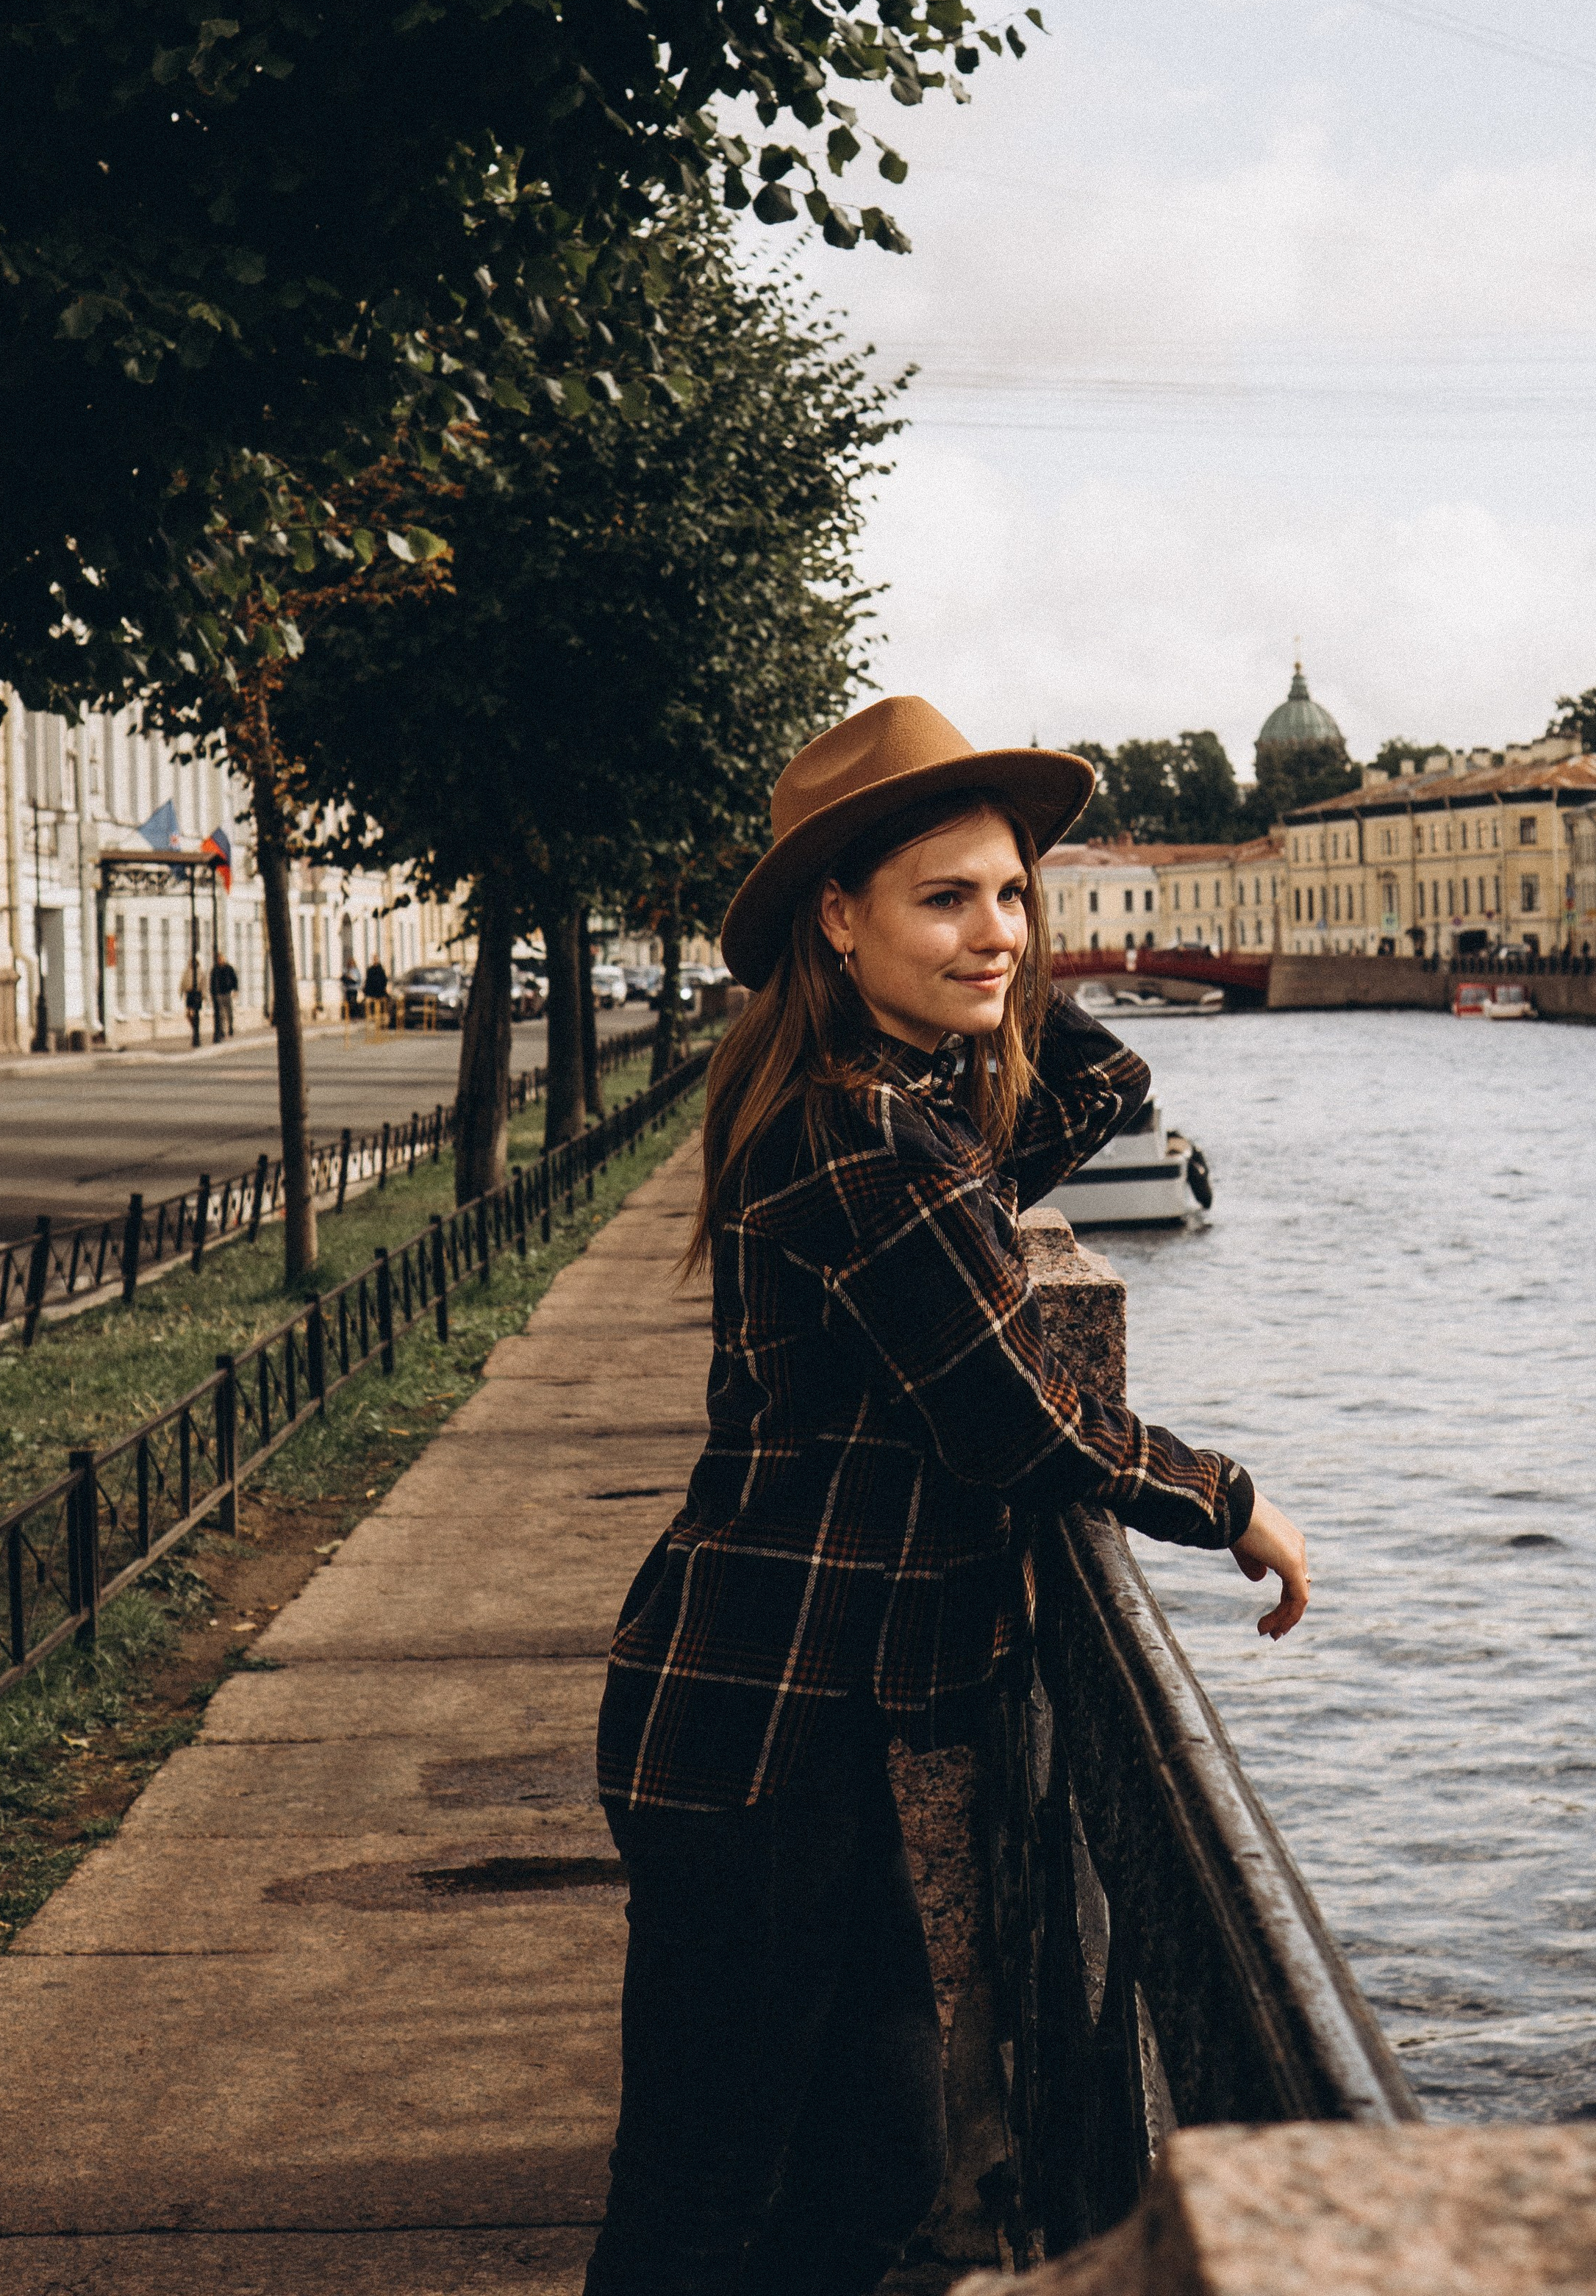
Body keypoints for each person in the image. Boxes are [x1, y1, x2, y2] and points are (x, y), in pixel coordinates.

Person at [584, 696, 1309, 2296]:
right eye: (945, 899)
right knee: (705, 2198)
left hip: (796, 1713)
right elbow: (1020, 1429)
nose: (998, 933)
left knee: (868, 2173)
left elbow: (1096, 1084)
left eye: (1012, 894)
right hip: (755, 1727)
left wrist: (994, 966)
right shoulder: (868, 1139)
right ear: (836, 920)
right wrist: (1228, 1499)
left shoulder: (893, 1108)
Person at [210, 951, 238, 1041]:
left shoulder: (229, 968)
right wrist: (212, 994)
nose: (220, 960)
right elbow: (212, 982)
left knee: (229, 1012)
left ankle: (230, 1028)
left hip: (227, 992)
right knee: (221, 1014)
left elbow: (234, 979)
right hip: (219, 993)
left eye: (221, 958)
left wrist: (235, 990)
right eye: (218, 959)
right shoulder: (215, 969)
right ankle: (221, 1030)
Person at [181, 953, 204, 1050]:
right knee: (189, 1014)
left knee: (196, 1013)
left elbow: (204, 984)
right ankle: (195, 1028)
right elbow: (183, 982)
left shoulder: (200, 972)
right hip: (189, 994)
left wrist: (204, 995)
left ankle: (196, 1034)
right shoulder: (187, 972)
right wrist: (181, 992)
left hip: (197, 994)